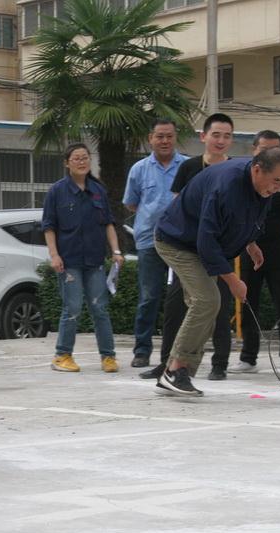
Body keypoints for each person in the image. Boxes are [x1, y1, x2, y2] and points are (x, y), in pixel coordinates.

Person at [153, 147, 280, 397]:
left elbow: (251, 217)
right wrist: (232, 280)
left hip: (199, 244)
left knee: (206, 307)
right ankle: (174, 371)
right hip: (177, 241)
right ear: (257, 170)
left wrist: (250, 243)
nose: (279, 188)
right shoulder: (226, 187)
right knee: (207, 300)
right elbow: (206, 242)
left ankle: (179, 370)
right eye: (276, 181)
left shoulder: (263, 187)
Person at [141, 113, 236, 382]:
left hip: (217, 250)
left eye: (227, 136)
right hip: (186, 249)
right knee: (175, 306)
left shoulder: (235, 170)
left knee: (217, 304)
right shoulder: (189, 167)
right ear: (203, 136)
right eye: (215, 135)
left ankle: (219, 364)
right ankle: (167, 363)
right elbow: (177, 206)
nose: (220, 140)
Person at [42, 142, 124, 373]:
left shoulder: (98, 190)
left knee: (100, 308)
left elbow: (108, 223)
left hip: (94, 260)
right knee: (73, 308)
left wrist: (116, 251)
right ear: (67, 163)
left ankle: (108, 357)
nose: (81, 162)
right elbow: (49, 227)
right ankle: (62, 356)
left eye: (85, 157)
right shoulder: (57, 191)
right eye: (76, 158)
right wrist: (54, 255)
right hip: (69, 261)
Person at [230, 131, 280, 378]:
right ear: (254, 150)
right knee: (248, 304)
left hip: (279, 252)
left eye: (275, 149)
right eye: (264, 149)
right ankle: (248, 357)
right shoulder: (245, 179)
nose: (270, 154)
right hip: (248, 249)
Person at [122, 118, 187, 368]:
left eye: (169, 136)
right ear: (151, 138)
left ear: (175, 137)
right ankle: (142, 351)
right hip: (149, 241)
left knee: (181, 298)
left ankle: (177, 352)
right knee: (149, 297)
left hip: (180, 241)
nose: (165, 141)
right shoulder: (139, 169)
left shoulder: (187, 166)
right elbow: (131, 203)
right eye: (160, 136)